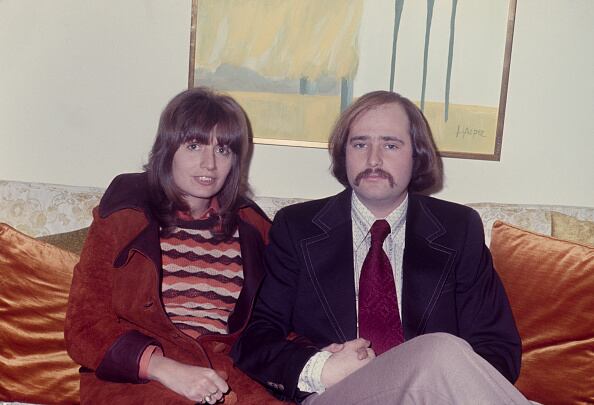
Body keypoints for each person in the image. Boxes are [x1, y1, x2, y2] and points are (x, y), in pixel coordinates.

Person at [231, 90, 530, 404]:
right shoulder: (296, 228)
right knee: (440, 348)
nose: (373, 160)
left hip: (430, 398)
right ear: (344, 154)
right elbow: (254, 338)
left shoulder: (458, 229)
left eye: (390, 145)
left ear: (416, 156)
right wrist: (320, 369)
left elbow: (497, 347)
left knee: (439, 352)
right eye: (360, 144)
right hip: (337, 396)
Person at [64, 87, 282, 404]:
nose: (209, 164)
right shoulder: (124, 215)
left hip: (224, 374)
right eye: (194, 146)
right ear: (168, 150)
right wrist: (163, 368)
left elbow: (277, 322)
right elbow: (84, 327)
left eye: (223, 150)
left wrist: (320, 355)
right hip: (139, 378)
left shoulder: (255, 230)